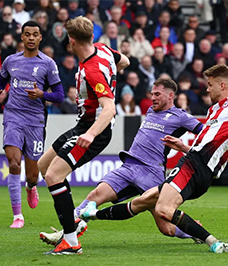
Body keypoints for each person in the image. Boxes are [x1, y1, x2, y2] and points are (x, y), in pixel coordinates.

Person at [78, 64, 228, 253]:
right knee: (145, 202)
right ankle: (90, 215)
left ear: (223, 86)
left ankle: (213, 242)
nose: (206, 89)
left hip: (195, 168)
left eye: (209, 84)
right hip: (197, 165)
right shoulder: (214, 111)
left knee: (163, 209)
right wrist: (183, 146)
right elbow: (208, 143)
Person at [39, 77, 203, 246]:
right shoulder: (151, 110)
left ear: (170, 96)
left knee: (166, 228)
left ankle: (193, 230)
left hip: (151, 173)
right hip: (129, 166)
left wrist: (184, 147)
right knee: (94, 196)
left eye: (157, 94)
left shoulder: (181, 117)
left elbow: (206, 134)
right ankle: (66, 234)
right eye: (152, 93)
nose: (153, 97)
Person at [35, 16, 129, 255]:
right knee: (44, 165)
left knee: (55, 175)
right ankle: (73, 223)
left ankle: (70, 240)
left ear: (71, 40)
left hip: (94, 129)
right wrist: (113, 73)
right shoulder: (104, 50)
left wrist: (90, 134)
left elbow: (109, 109)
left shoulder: (93, 69)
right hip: (82, 125)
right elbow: (125, 60)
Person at [0, 21, 65, 229]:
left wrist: (42, 94)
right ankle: (17, 216)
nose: (31, 38)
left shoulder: (48, 64)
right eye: (27, 34)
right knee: (14, 163)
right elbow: (0, 82)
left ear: (40, 38)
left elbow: (59, 95)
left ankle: (31, 187)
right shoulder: (10, 61)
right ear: (21, 37)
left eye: (35, 34)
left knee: (33, 175)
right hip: (13, 116)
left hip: (35, 121)